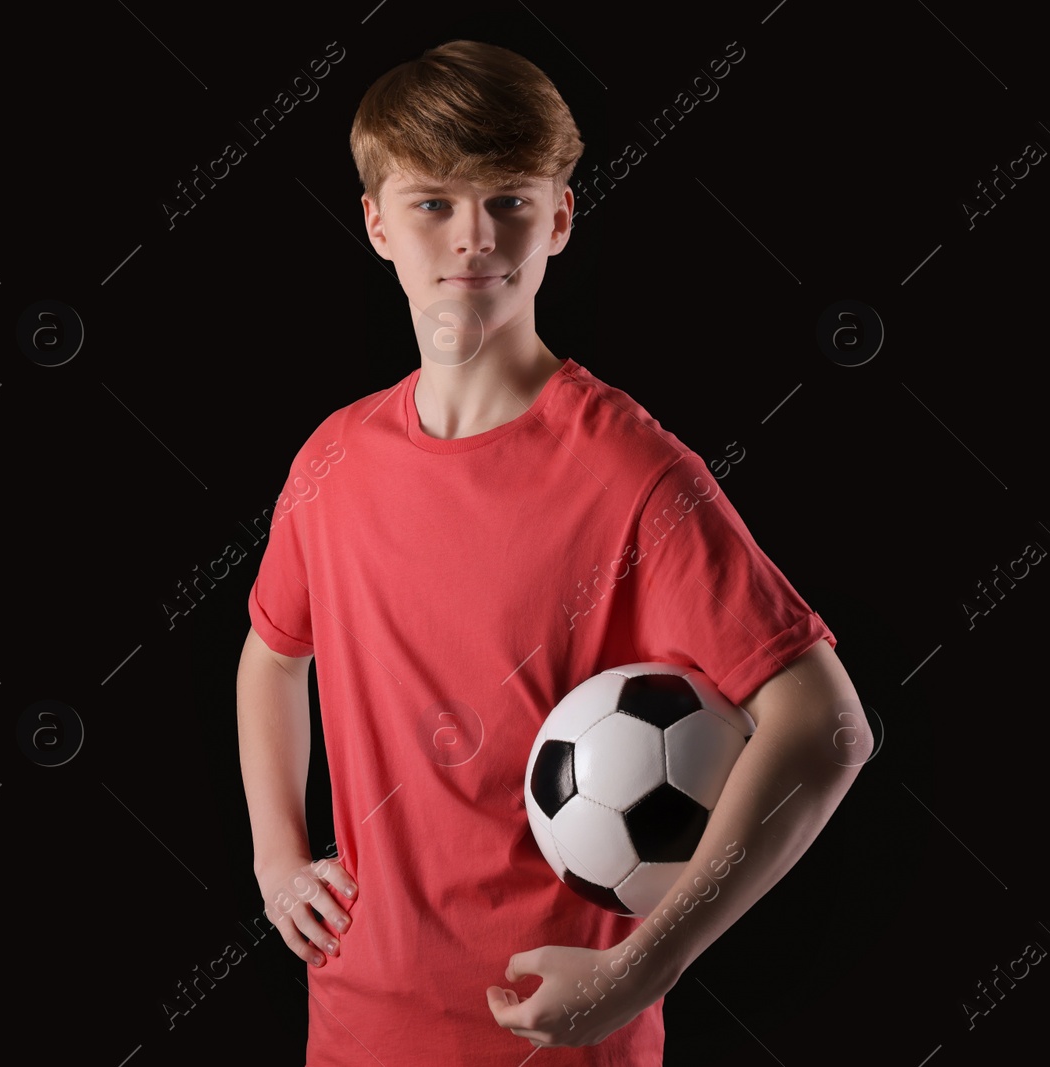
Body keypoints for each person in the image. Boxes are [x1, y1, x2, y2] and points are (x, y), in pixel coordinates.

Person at [236, 39, 867, 1066]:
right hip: (356, 1022)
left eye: (511, 199)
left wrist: (642, 968)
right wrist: (276, 856)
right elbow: (273, 651)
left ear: (560, 219)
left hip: (556, 1035)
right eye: (434, 201)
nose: (474, 234)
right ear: (376, 224)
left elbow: (825, 725)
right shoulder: (333, 459)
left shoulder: (630, 471)